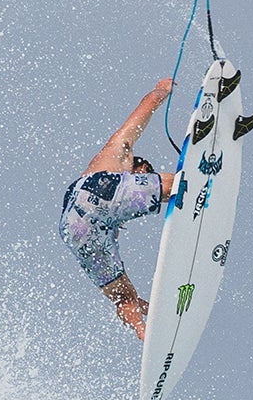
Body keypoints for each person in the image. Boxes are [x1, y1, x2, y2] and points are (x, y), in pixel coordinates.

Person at [60, 78, 178, 339]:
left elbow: (127, 298)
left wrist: (159, 311)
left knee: (124, 298)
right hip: (97, 190)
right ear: (139, 167)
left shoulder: (112, 221)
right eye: (146, 175)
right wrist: (163, 89)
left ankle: (142, 330)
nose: (147, 180)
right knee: (178, 183)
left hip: (72, 229)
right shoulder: (121, 151)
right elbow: (148, 103)